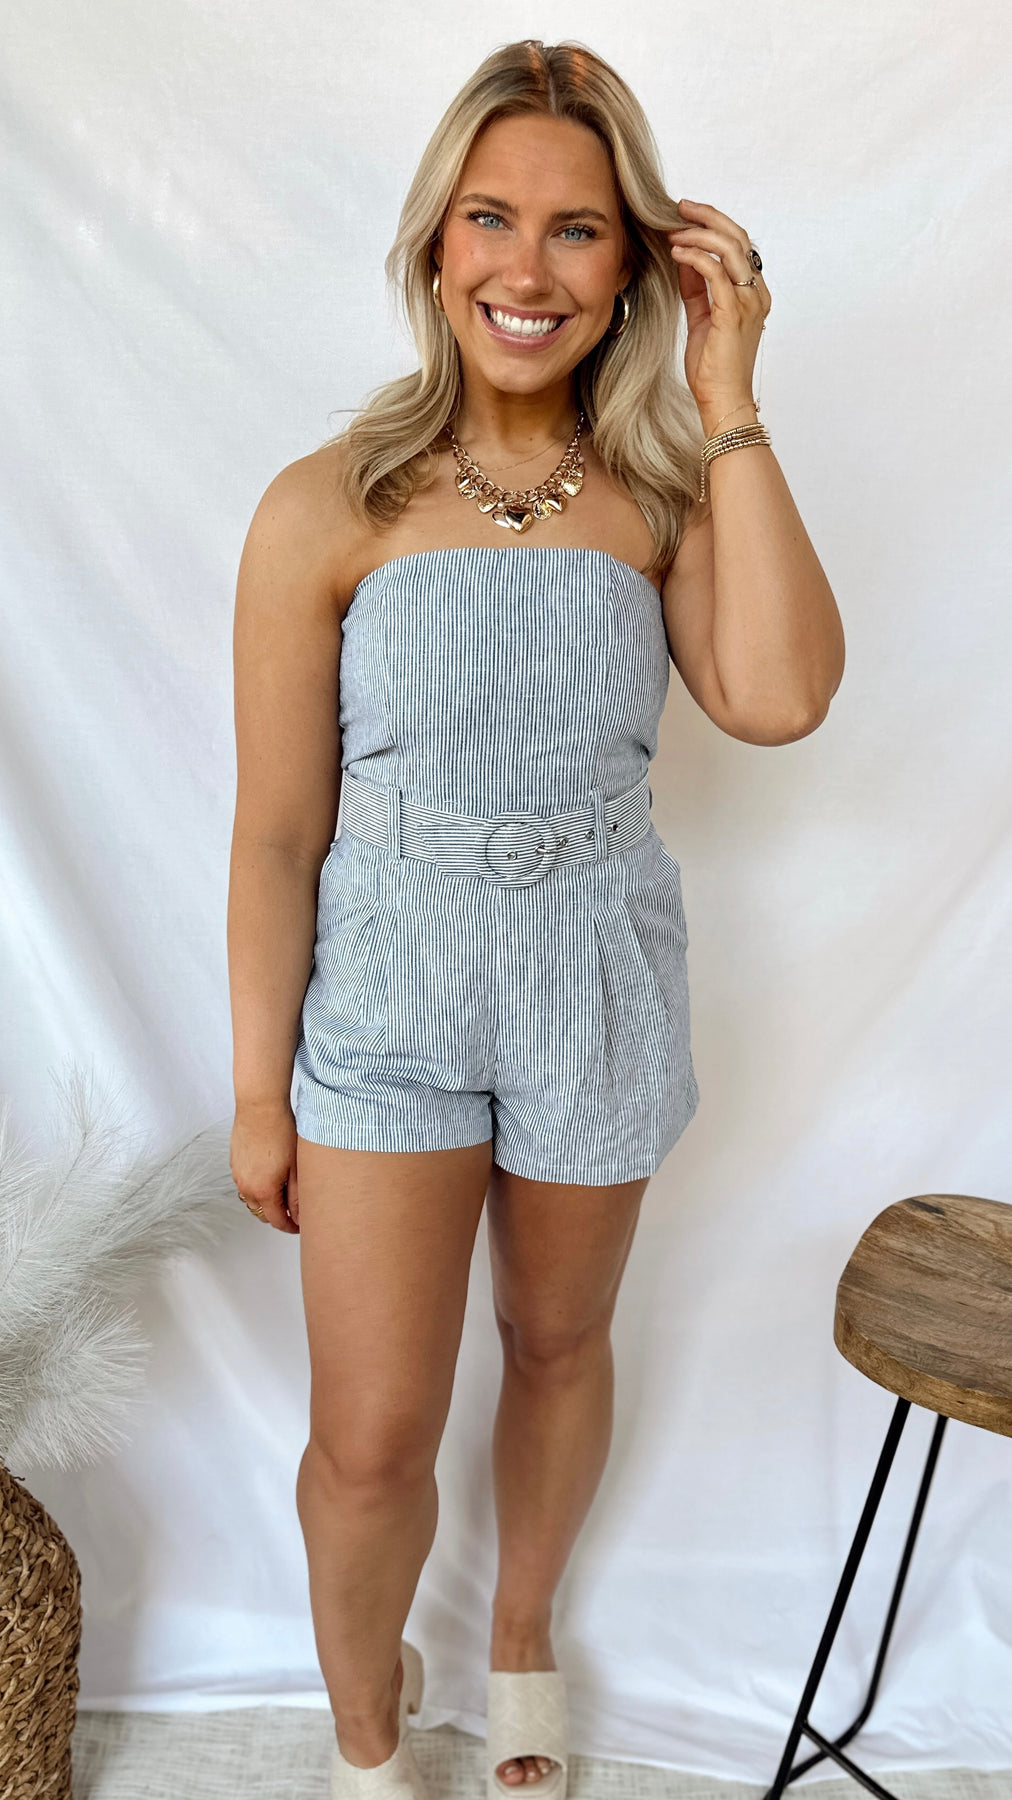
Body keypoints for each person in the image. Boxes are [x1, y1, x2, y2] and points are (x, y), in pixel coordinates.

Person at [226, 36, 844, 1800]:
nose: (528, 266)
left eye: (579, 229)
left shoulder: (662, 492)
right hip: (387, 995)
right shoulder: (328, 504)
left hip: (596, 980)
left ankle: (518, 1633)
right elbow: (277, 834)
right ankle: (366, 1735)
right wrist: (262, 1088)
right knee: (371, 1439)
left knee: (559, 1343)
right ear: (436, 242)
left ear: (634, 261)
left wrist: (728, 391)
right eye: (491, 217)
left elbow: (783, 695)